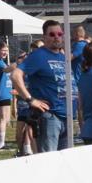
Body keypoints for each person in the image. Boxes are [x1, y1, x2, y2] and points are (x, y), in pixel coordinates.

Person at [11, 20, 76, 153]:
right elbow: (15, 75)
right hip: (50, 117)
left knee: (65, 162)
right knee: (48, 162)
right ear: (44, 37)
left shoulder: (62, 57)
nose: (56, 37)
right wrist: (30, 100)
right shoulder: (39, 55)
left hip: (67, 117)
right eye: (52, 34)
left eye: (59, 33)